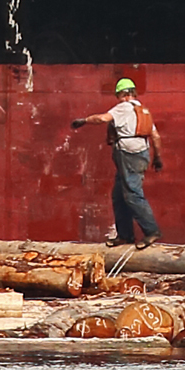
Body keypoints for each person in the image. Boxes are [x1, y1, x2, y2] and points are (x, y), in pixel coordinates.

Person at [71, 78, 163, 249]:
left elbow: (102, 118)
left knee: (133, 194)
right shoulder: (143, 110)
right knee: (119, 196)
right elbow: (156, 137)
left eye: (119, 95)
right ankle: (125, 235)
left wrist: (84, 120)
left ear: (123, 94)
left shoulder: (123, 107)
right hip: (141, 153)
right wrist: (157, 158)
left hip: (128, 155)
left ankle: (152, 231)